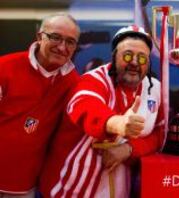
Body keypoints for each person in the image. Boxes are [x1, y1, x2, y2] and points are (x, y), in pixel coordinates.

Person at [39, 25, 164, 198]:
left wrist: (129, 149)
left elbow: (160, 134)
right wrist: (115, 123)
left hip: (120, 190)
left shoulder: (155, 89)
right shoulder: (94, 79)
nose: (135, 62)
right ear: (113, 57)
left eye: (142, 58)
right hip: (70, 189)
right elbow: (84, 105)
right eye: (127, 55)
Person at [0, 13, 80, 197]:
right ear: (39, 36)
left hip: (24, 187)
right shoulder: (4, 67)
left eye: (70, 42)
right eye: (55, 37)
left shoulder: (74, 83)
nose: (62, 47)